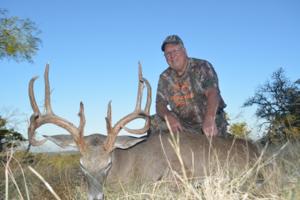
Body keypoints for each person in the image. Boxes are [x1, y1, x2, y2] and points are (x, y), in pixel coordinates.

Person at [150, 35, 228, 137]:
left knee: (213, 148)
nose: (172, 56)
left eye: (175, 51)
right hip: (184, 125)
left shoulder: (202, 66)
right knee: (153, 121)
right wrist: (169, 117)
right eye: (167, 53)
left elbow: (213, 93)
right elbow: (160, 105)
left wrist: (210, 118)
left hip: (209, 120)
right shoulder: (164, 77)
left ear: (184, 51)